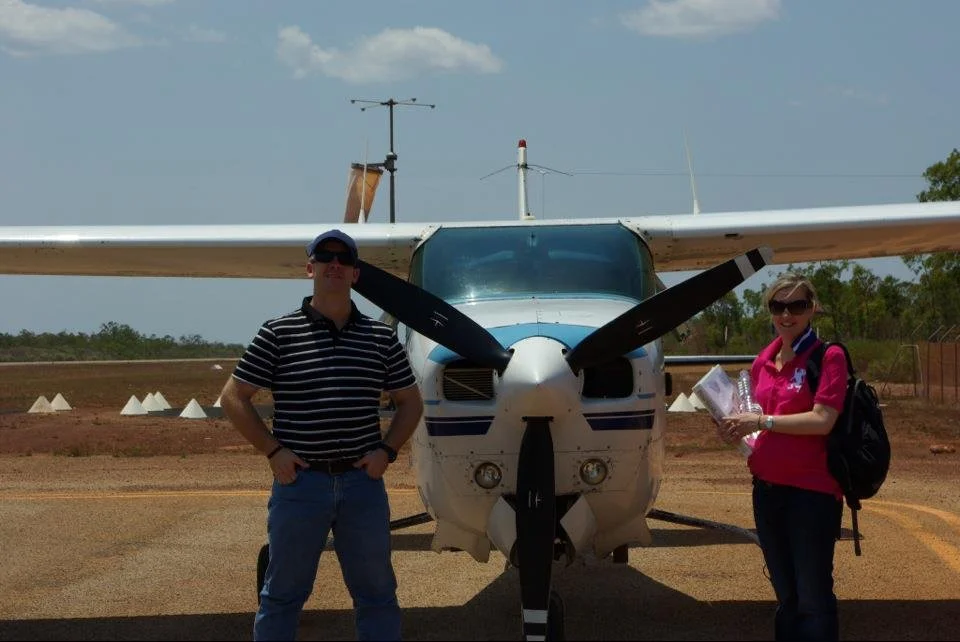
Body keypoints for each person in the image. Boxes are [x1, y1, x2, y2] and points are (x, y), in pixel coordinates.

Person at [220, 228, 424, 641]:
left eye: (344, 259)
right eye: (326, 257)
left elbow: (411, 403)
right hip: (300, 484)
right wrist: (273, 451)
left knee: (377, 595)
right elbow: (233, 398)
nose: (335, 264)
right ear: (310, 268)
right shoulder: (278, 333)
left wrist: (387, 450)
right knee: (281, 595)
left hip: (362, 485)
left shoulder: (380, 338)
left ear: (354, 273)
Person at [716, 273, 848, 642]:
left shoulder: (828, 356)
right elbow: (758, 425)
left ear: (812, 309)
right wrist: (737, 429)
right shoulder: (763, 361)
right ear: (770, 310)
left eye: (797, 306)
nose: (787, 315)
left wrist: (760, 420)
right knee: (786, 597)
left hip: (812, 492)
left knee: (812, 596)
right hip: (768, 490)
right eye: (779, 306)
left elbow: (823, 420)